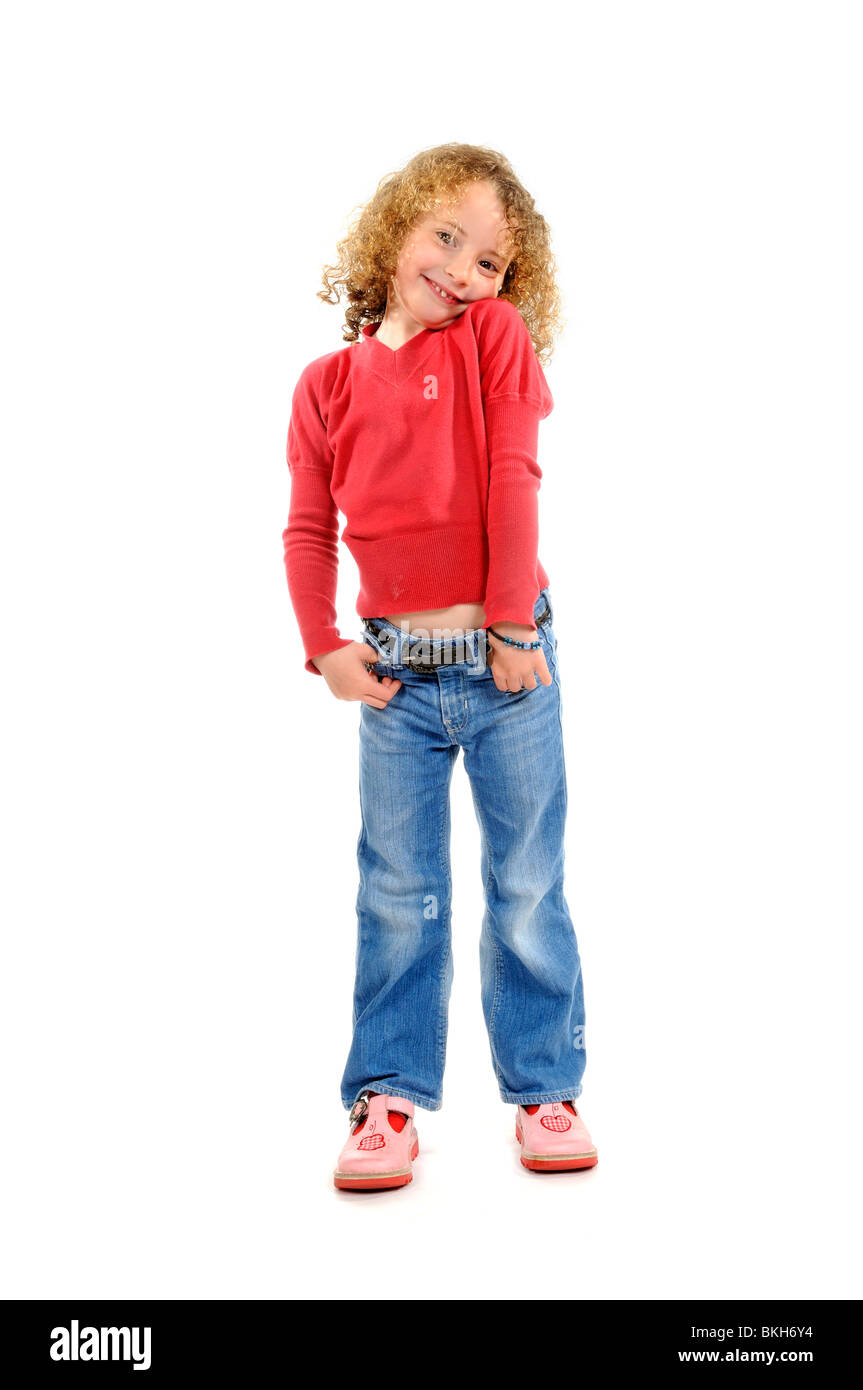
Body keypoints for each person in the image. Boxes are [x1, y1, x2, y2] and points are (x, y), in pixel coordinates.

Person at [282, 143, 598, 1190]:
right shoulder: (326, 385)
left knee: (524, 881)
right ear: (392, 235)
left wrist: (511, 627)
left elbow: (513, 475)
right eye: (445, 238)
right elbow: (306, 528)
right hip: (397, 680)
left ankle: (544, 1085)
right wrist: (323, 643)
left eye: (493, 261)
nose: (466, 272)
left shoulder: (491, 342)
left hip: (510, 665)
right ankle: (385, 1096)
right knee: (398, 890)